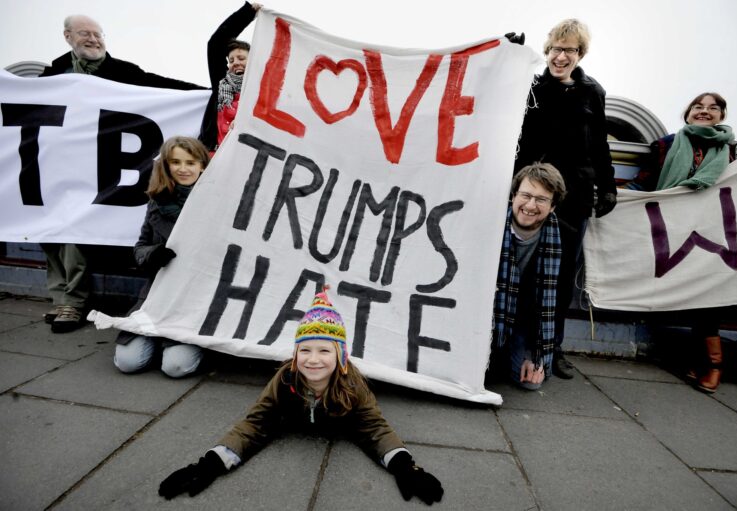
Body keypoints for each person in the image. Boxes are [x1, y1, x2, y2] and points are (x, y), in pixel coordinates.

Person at [158, 287, 444, 505]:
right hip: (289, 420)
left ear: (341, 355)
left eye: (324, 350)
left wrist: (404, 465)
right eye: (305, 350)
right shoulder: (284, 379)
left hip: (340, 423)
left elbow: (374, 426)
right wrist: (213, 461)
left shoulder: (353, 384)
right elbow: (256, 421)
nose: (313, 360)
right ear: (295, 355)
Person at [39, 14, 205, 333]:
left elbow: (164, 87)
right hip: (61, 167)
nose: (93, 39)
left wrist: (203, 95)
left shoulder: (124, 73)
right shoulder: (52, 74)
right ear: (67, 36)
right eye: (85, 33)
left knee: (74, 232)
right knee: (48, 232)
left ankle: (73, 303)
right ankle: (58, 297)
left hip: (102, 172)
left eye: (98, 34)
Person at [512, 19, 617, 379]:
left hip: (573, 198)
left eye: (568, 49)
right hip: (533, 194)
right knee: (520, 269)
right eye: (555, 48)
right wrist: (506, 56)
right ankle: (511, 344)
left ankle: (552, 349)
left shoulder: (593, 92)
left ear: (579, 54)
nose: (560, 56)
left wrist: (607, 186)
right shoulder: (531, 85)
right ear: (547, 51)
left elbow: (600, 145)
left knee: (560, 277)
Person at [623, 92, 737, 393]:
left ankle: (714, 365)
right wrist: (616, 197)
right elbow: (646, 181)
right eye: (698, 107)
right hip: (674, 228)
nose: (704, 111)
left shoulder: (733, 154)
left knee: (707, 296)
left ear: (722, 116)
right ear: (688, 114)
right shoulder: (665, 145)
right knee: (688, 296)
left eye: (713, 108)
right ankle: (700, 361)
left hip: (711, 230)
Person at [113, 137, 210, 378]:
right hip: (158, 295)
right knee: (127, 363)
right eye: (175, 162)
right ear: (166, 165)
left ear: (203, 166)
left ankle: (195, 346)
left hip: (194, 301)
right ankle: (156, 339)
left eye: (190, 162)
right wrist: (153, 255)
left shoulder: (216, 204)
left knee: (175, 368)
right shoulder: (157, 200)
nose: (183, 168)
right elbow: (140, 247)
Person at [491, 162, 567, 390]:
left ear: (552, 207)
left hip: (522, 324)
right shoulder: (490, 227)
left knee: (530, 382)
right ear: (513, 196)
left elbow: (552, 304)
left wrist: (535, 354)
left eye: (541, 200)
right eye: (526, 195)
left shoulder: (561, 240)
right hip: (486, 318)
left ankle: (508, 356)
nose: (531, 205)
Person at [200, 1, 262, 152]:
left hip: (245, 158)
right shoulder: (222, 83)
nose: (235, 63)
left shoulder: (260, 89)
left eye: (241, 59)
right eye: (231, 60)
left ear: (252, 61)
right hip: (212, 156)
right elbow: (215, 45)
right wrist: (247, 13)